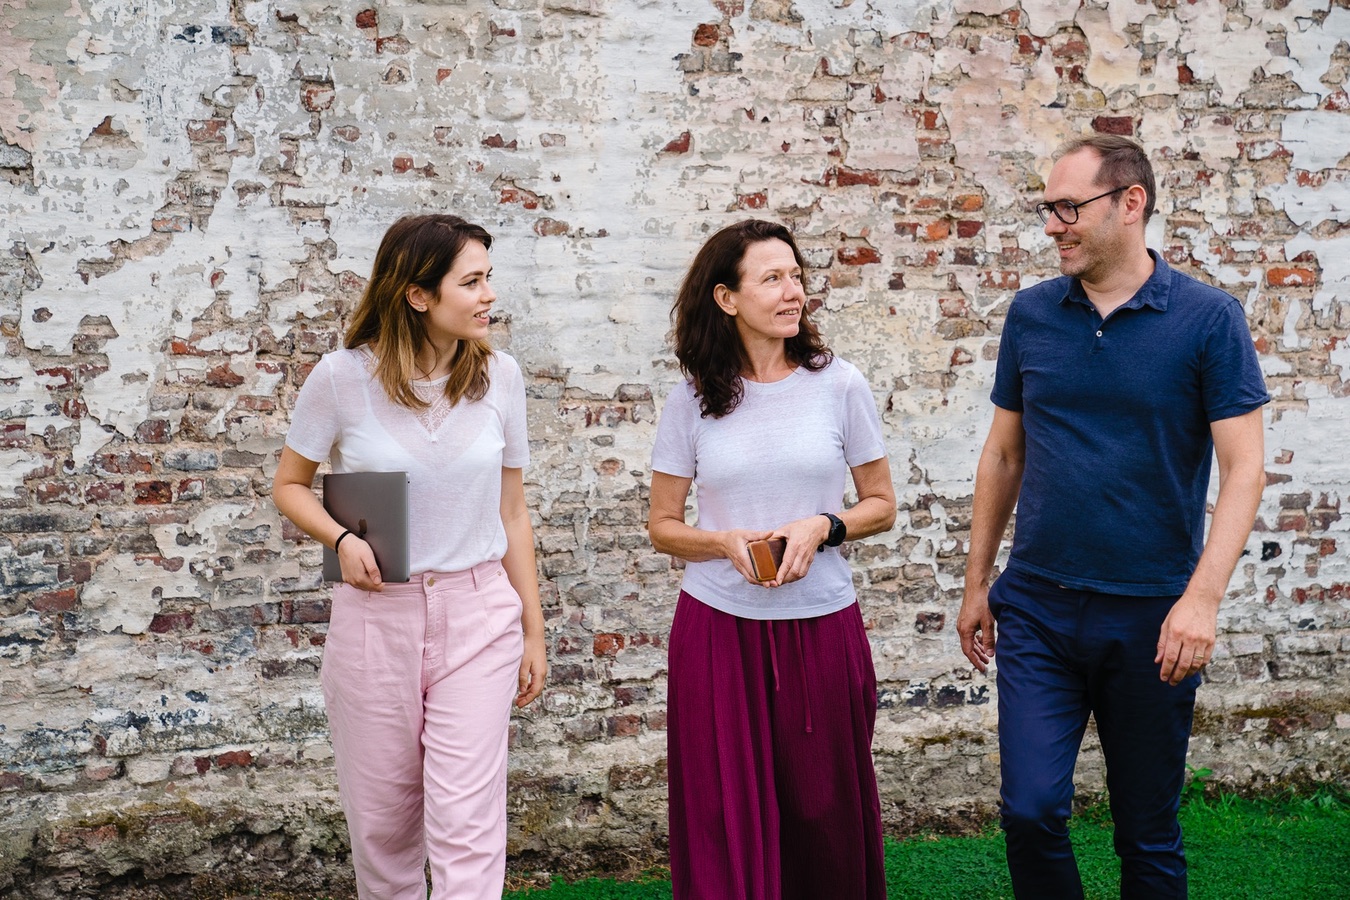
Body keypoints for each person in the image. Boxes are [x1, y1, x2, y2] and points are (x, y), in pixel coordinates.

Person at [956, 135, 1269, 899]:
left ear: (1131, 204)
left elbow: (1245, 468)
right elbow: (1003, 456)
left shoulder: (1207, 319)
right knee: (1030, 810)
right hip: (1036, 607)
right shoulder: (1032, 314)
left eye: (1070, 208)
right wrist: (977, 585)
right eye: (1048, 210)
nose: (1055, 225)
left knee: (1147, 833)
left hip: (1152, 617)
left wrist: (1201, 600)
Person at [272, 214, 547, 900]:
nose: (489, 296)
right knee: (385, 830)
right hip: (375, 618)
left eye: (490, 279)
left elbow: (512, 511)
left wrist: (533, 631)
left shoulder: (502, 378)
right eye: (472, 281)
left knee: (467, 825)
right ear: (418, 295)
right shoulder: (340, 379)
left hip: (479, 614)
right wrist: (341, 538)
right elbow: (289, 485)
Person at [647, 219, 897, 900]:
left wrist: (823, 524)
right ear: (727, 298)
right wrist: (724, 542)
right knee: (723, 814)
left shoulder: (840, 385)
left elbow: (881, 503)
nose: (794, 292)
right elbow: (662, 525)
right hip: (716, 630)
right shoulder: (692, 399)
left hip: (821, 625)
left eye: (796, 276)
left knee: (825, 811)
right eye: (773, 278)